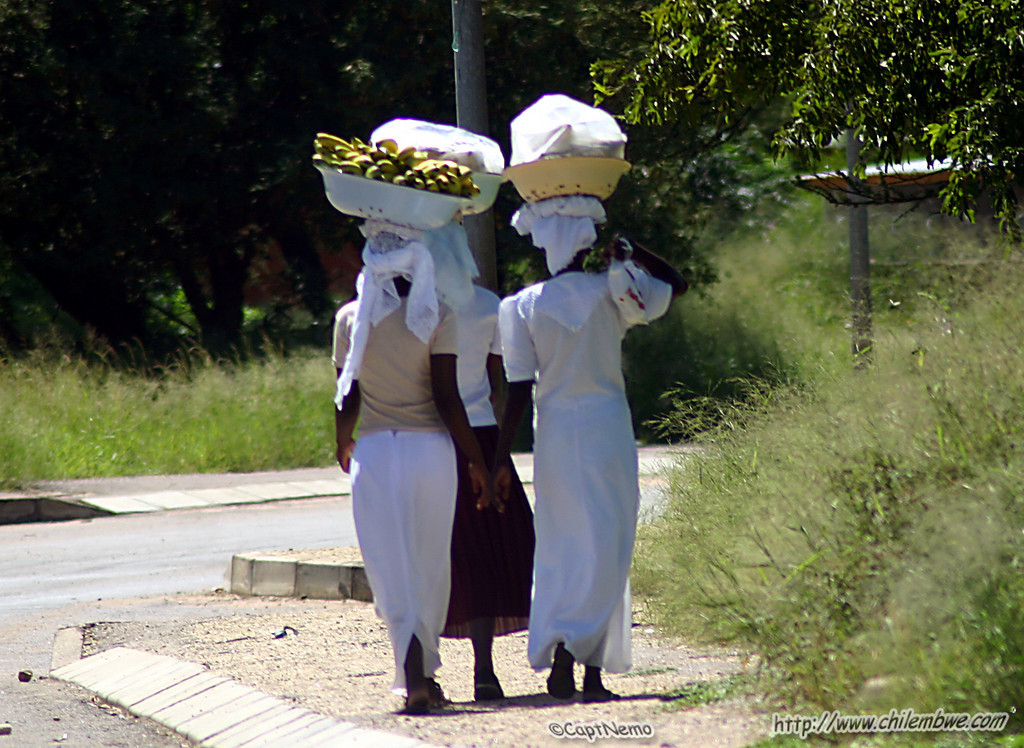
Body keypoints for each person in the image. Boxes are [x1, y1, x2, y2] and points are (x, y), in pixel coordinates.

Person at [493, 206, 687, 702]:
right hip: (606, 431)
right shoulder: (614, 289)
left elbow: (517, 390)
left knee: (562, 545)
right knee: (608, 542)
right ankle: (590, 672)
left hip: (555, 436)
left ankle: (565, 651)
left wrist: (497, 459)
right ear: (586, 242)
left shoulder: (520, 306)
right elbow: (675, 285)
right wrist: (632, 252)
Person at [333, 218, 491, 714]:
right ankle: (423, 671)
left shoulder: (350, 318)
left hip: (375, 453)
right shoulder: (438, 312)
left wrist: (342, 441)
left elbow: (347, 395)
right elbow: (447, 397)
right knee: (429, 565)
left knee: (389, 566)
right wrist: (477, 460)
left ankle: (411, 672)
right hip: (430, 453)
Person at [442, 282, 535, 701]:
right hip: (482, 433)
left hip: (432, 435)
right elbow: (495, 383)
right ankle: (485, 669)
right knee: (495, 547)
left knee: (448, 551)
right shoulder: (487, 303)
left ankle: (421, 672)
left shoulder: (414, 302)